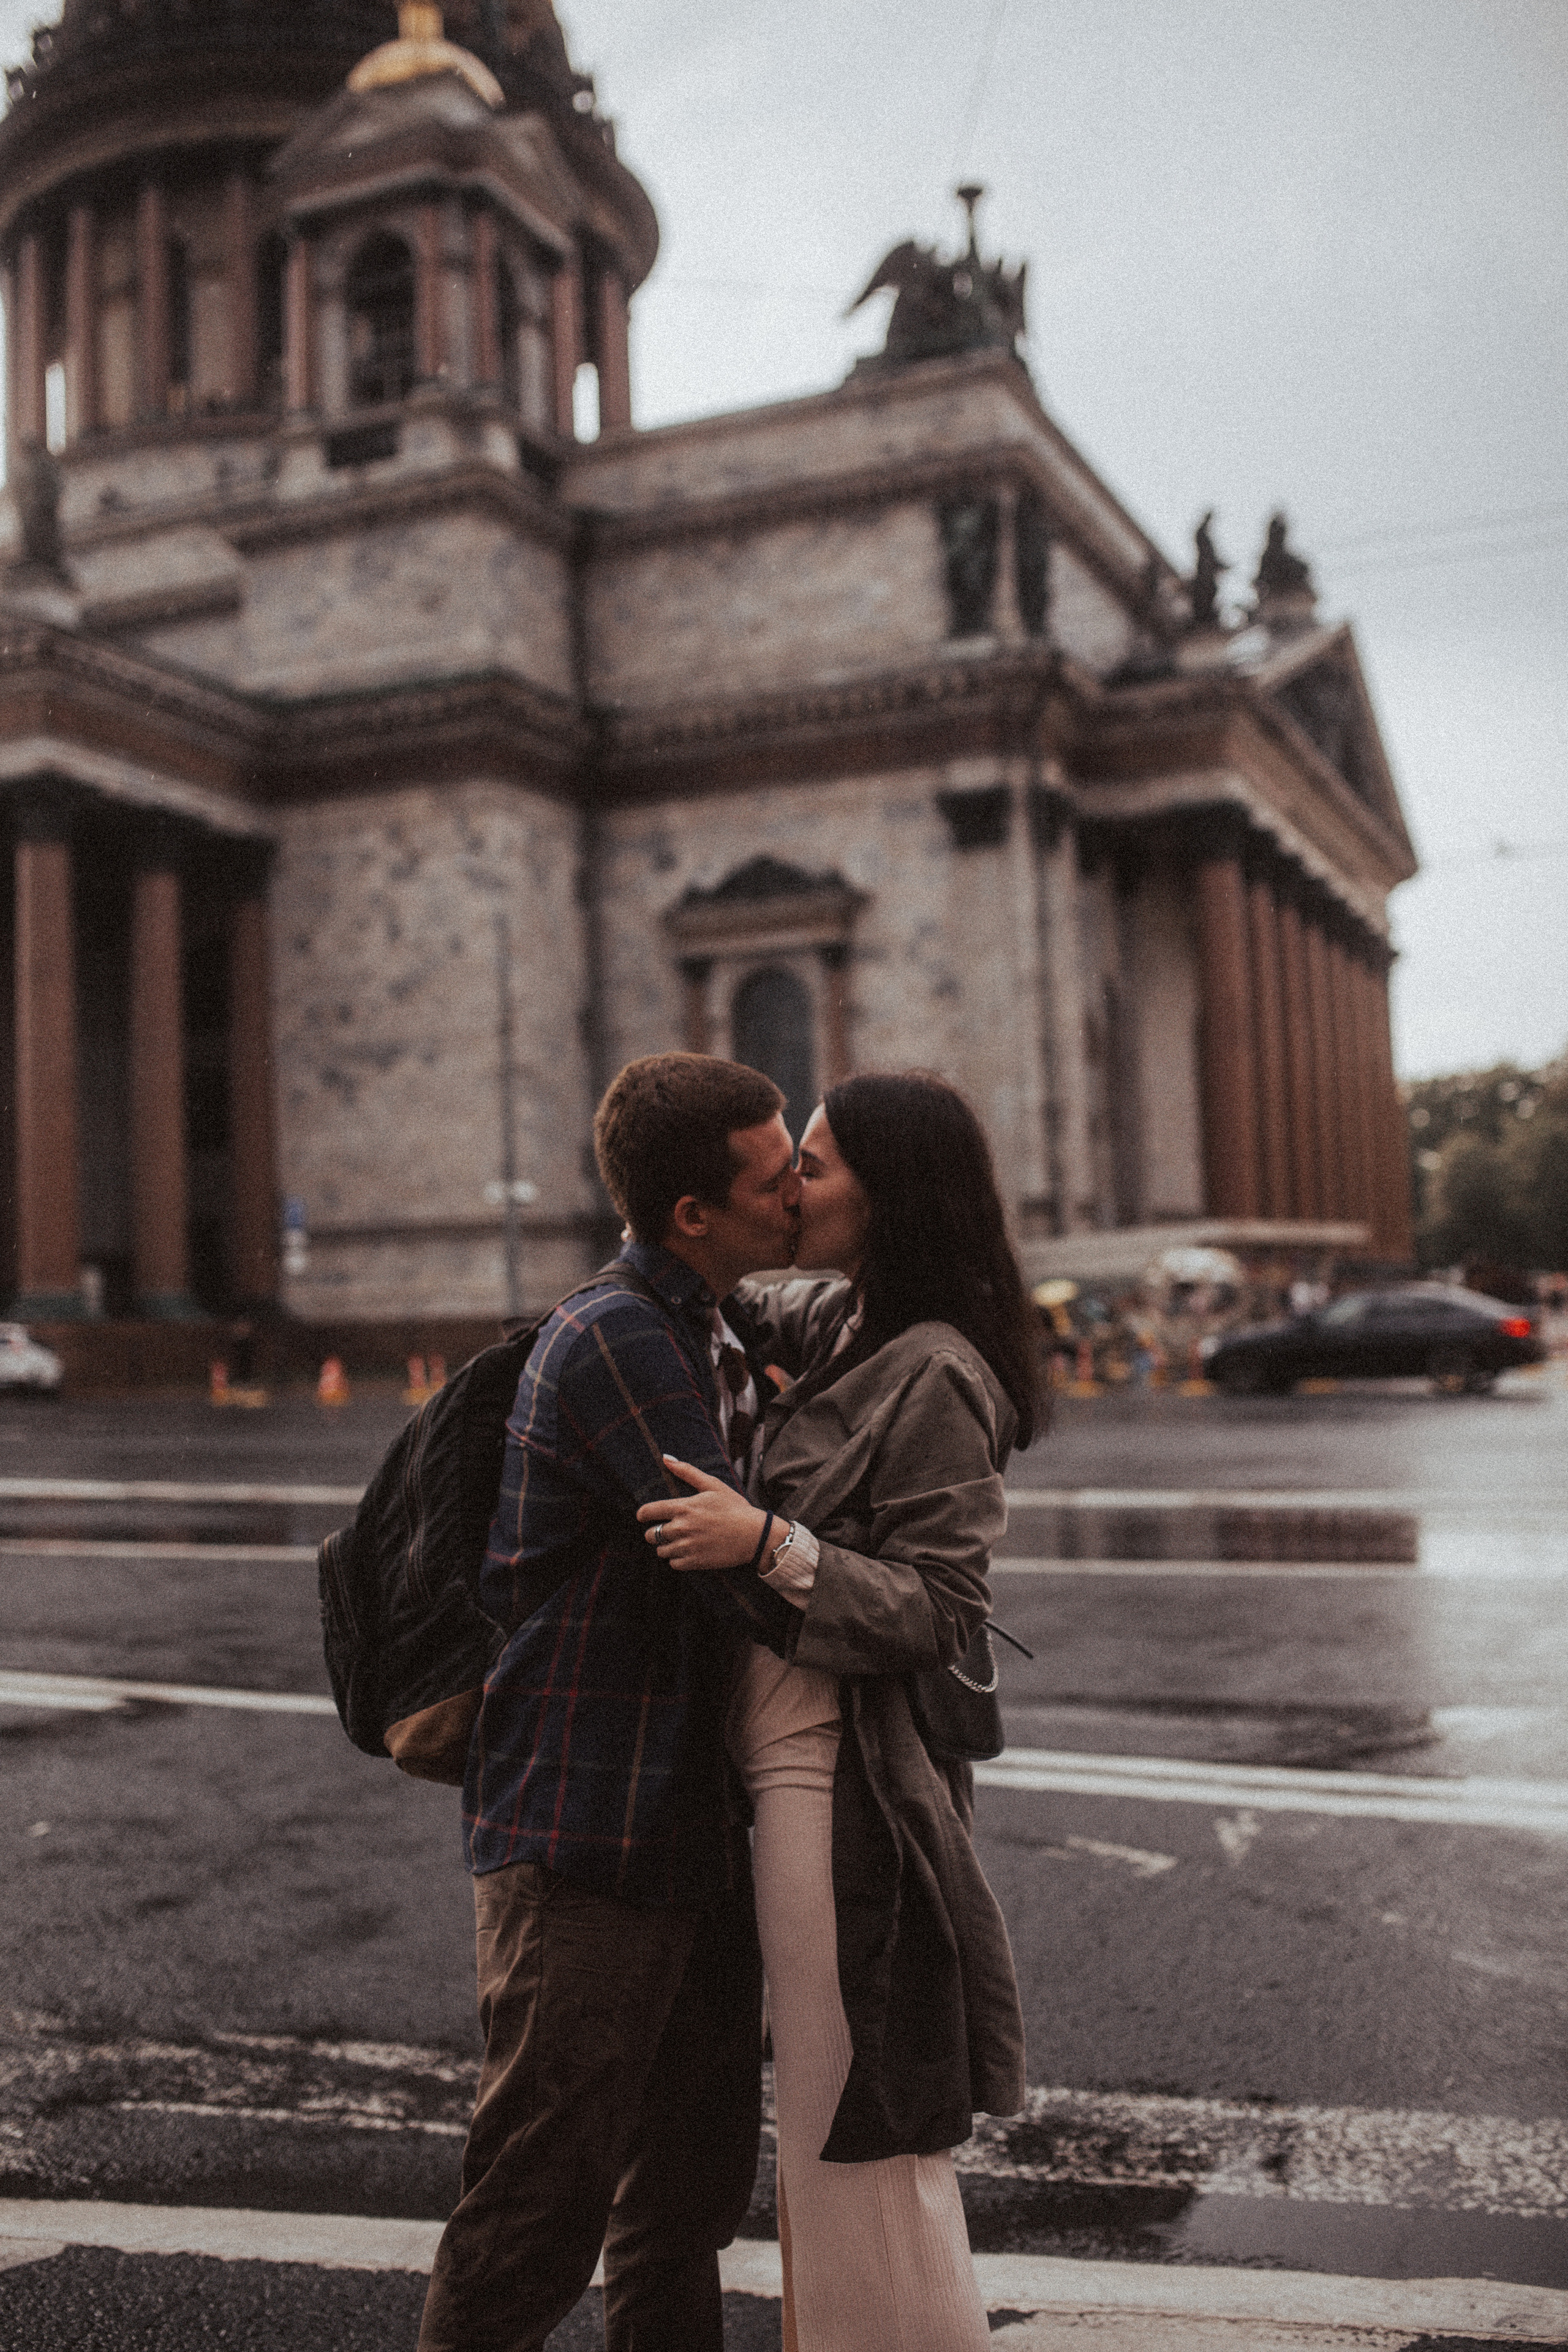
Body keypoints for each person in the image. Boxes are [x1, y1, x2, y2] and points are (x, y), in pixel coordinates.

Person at [638, 1071, 1036, 2352]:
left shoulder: (937, 1371)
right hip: (761, 1765)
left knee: (849, 2109)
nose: (790, 1188)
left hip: (836, 1776)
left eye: (810, 1162)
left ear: (890, 1187)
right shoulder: (836, 1317)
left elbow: (941, 1612)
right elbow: (689, 1264)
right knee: (820, 2116)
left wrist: (768, 1544)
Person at [418, 1052, 809, 2352]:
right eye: (775, 1177)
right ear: (693, 1214)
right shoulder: (621, 1339)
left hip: (681, 1827)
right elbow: (735, 1576)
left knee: (683, 2196)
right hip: (584, 1836)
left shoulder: (705, 1320)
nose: (797, 1195)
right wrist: (879, 1590)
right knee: (539, 2202)